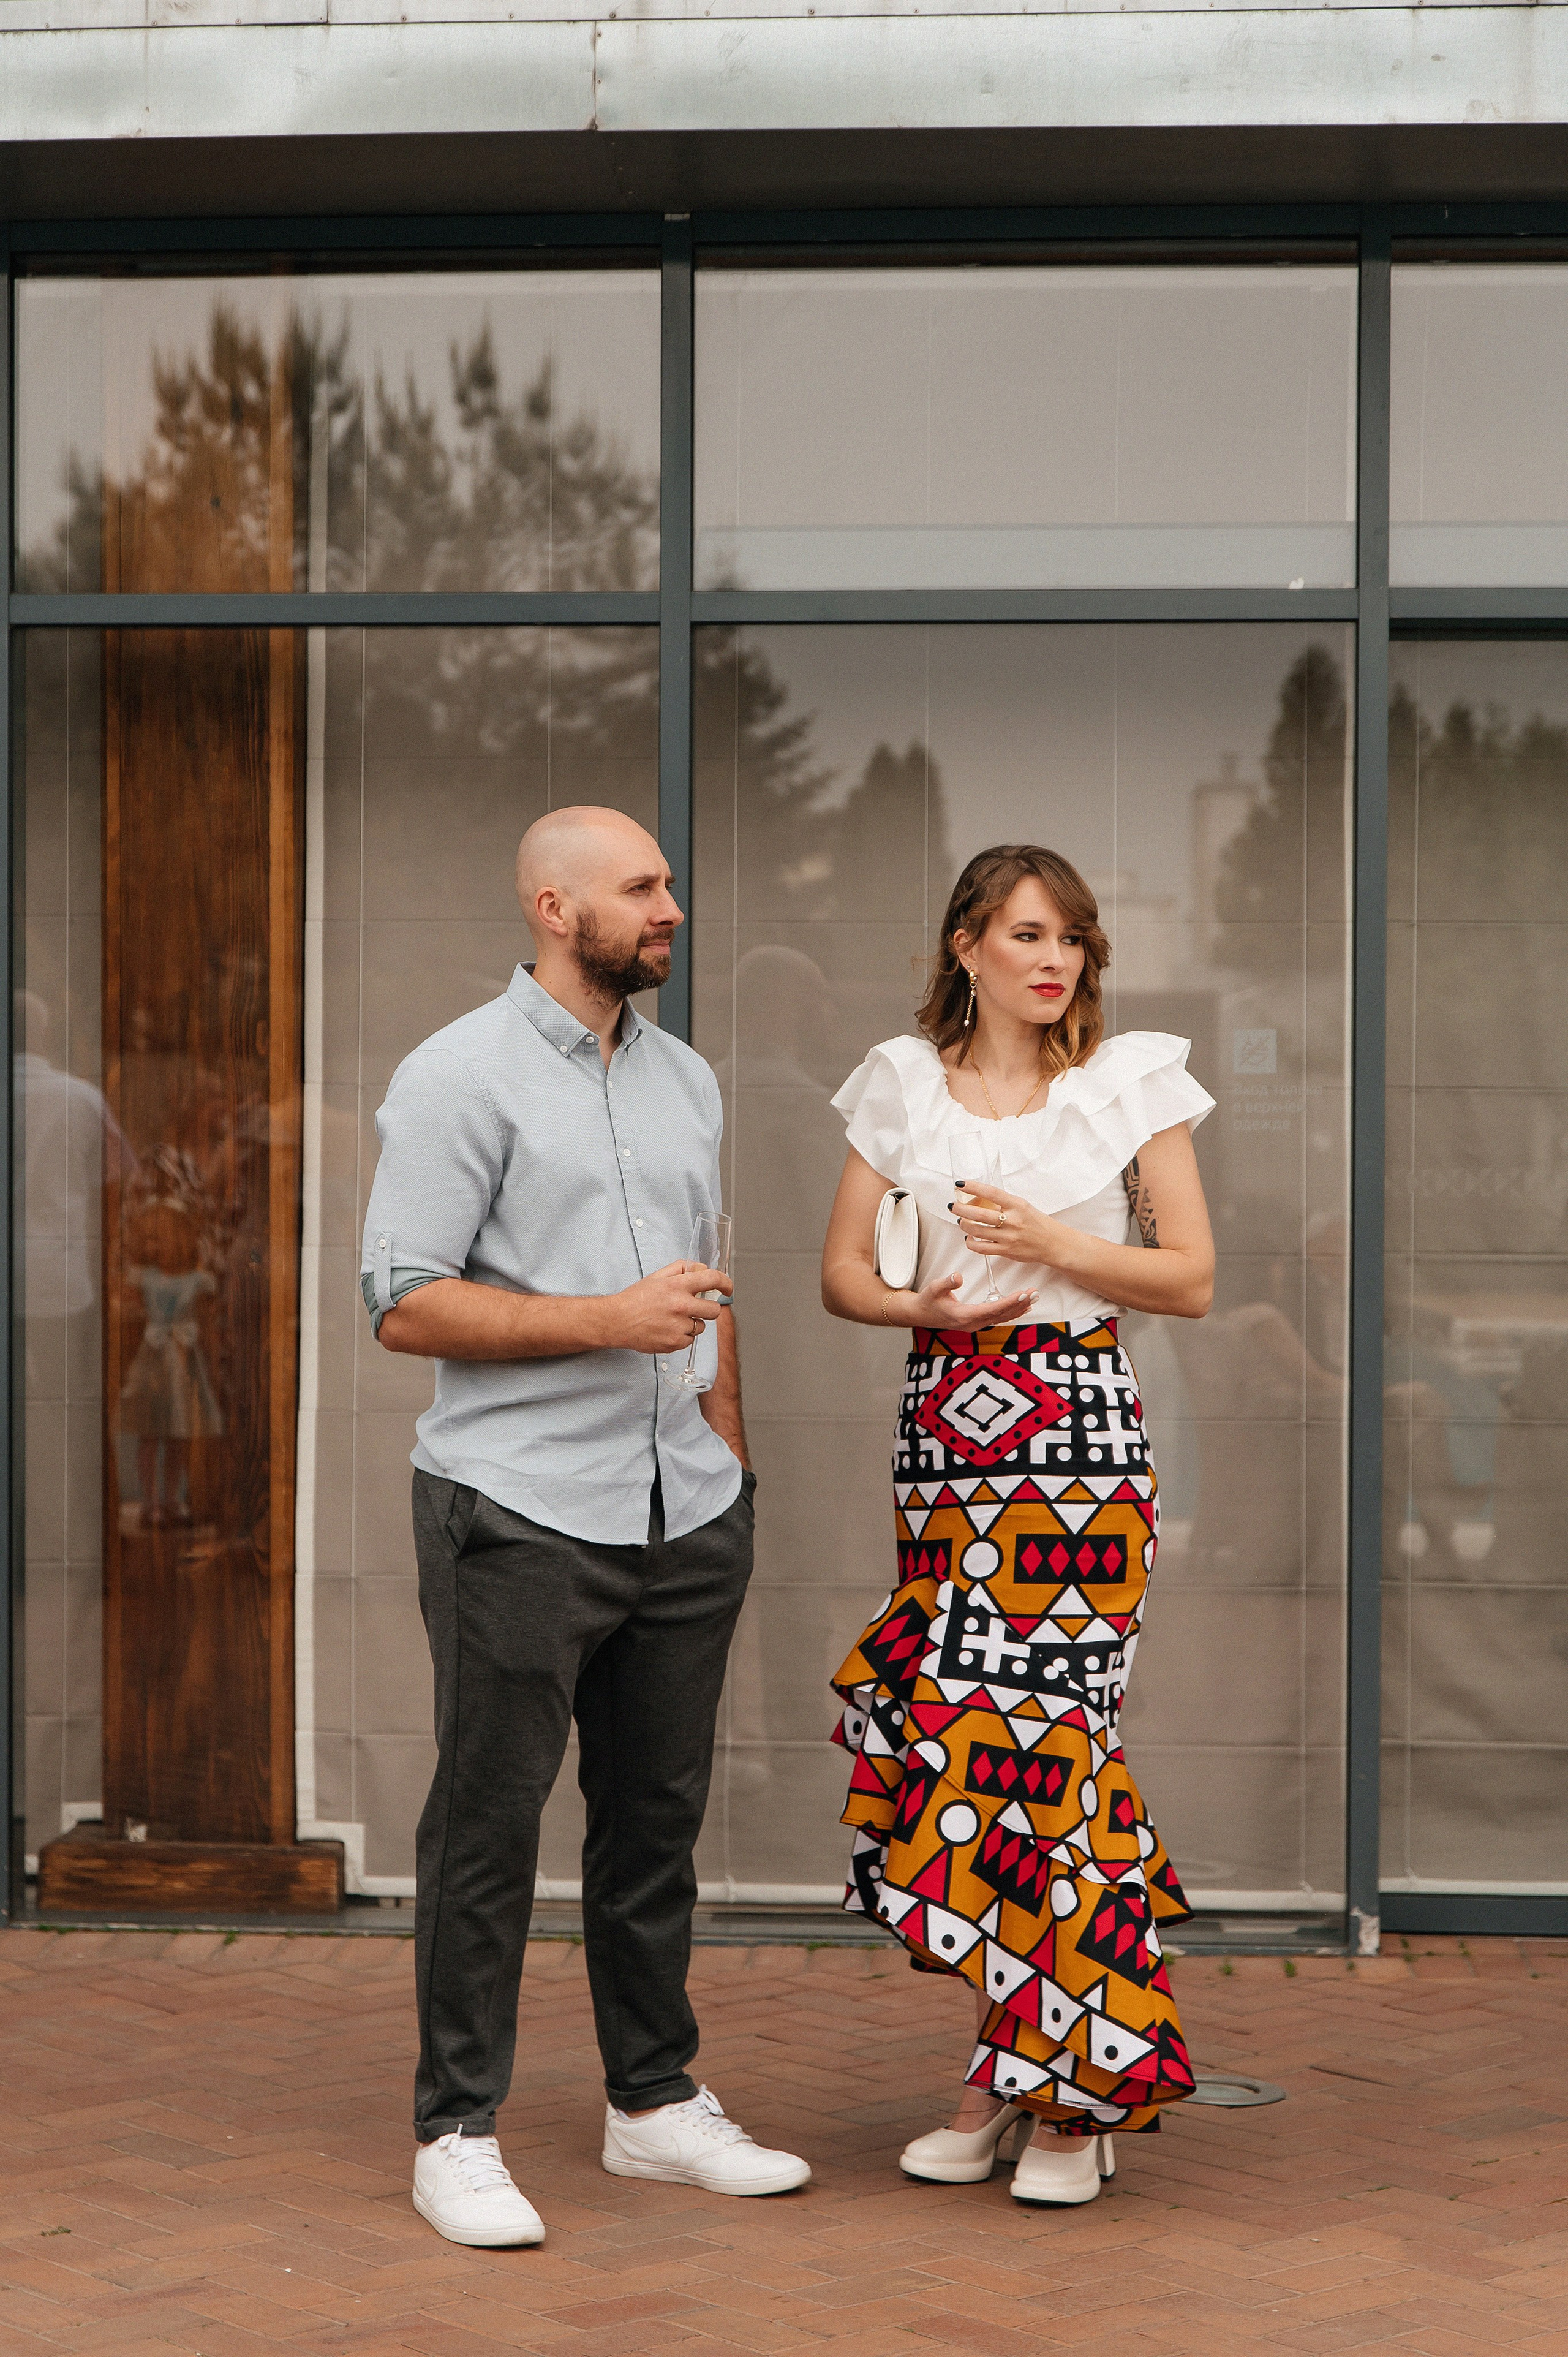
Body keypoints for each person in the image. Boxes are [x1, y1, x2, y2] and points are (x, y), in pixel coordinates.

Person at [361, 804, 812, 2250]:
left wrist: (727, 1466)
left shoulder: (685, 1077)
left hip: (682, 1507)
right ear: (556, 908)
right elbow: (403, 1299)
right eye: (641, 887)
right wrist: (606, 1324)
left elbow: (706, 1284)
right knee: (488, 1828)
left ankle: (651, 2105)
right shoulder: (456, 1077)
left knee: (653, 1827)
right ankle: (456, 2130)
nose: (668, 905)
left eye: (668, 881)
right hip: (518, 1510)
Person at [821, 842, 1215, 2206]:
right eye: (1028, 935)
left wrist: (1053, 1245)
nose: (1055, 960)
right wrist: (916, 1308)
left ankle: (1072, 2097)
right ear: (965, 947)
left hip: (1078, 1445)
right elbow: (838, 1277)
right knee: (973, 1767)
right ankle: (1016, 2073)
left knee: (1054, 1760)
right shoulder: (897, 1083)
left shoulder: (1125, 1086)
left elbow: (1190, 1277)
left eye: (1073, 940)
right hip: (943, 1444)